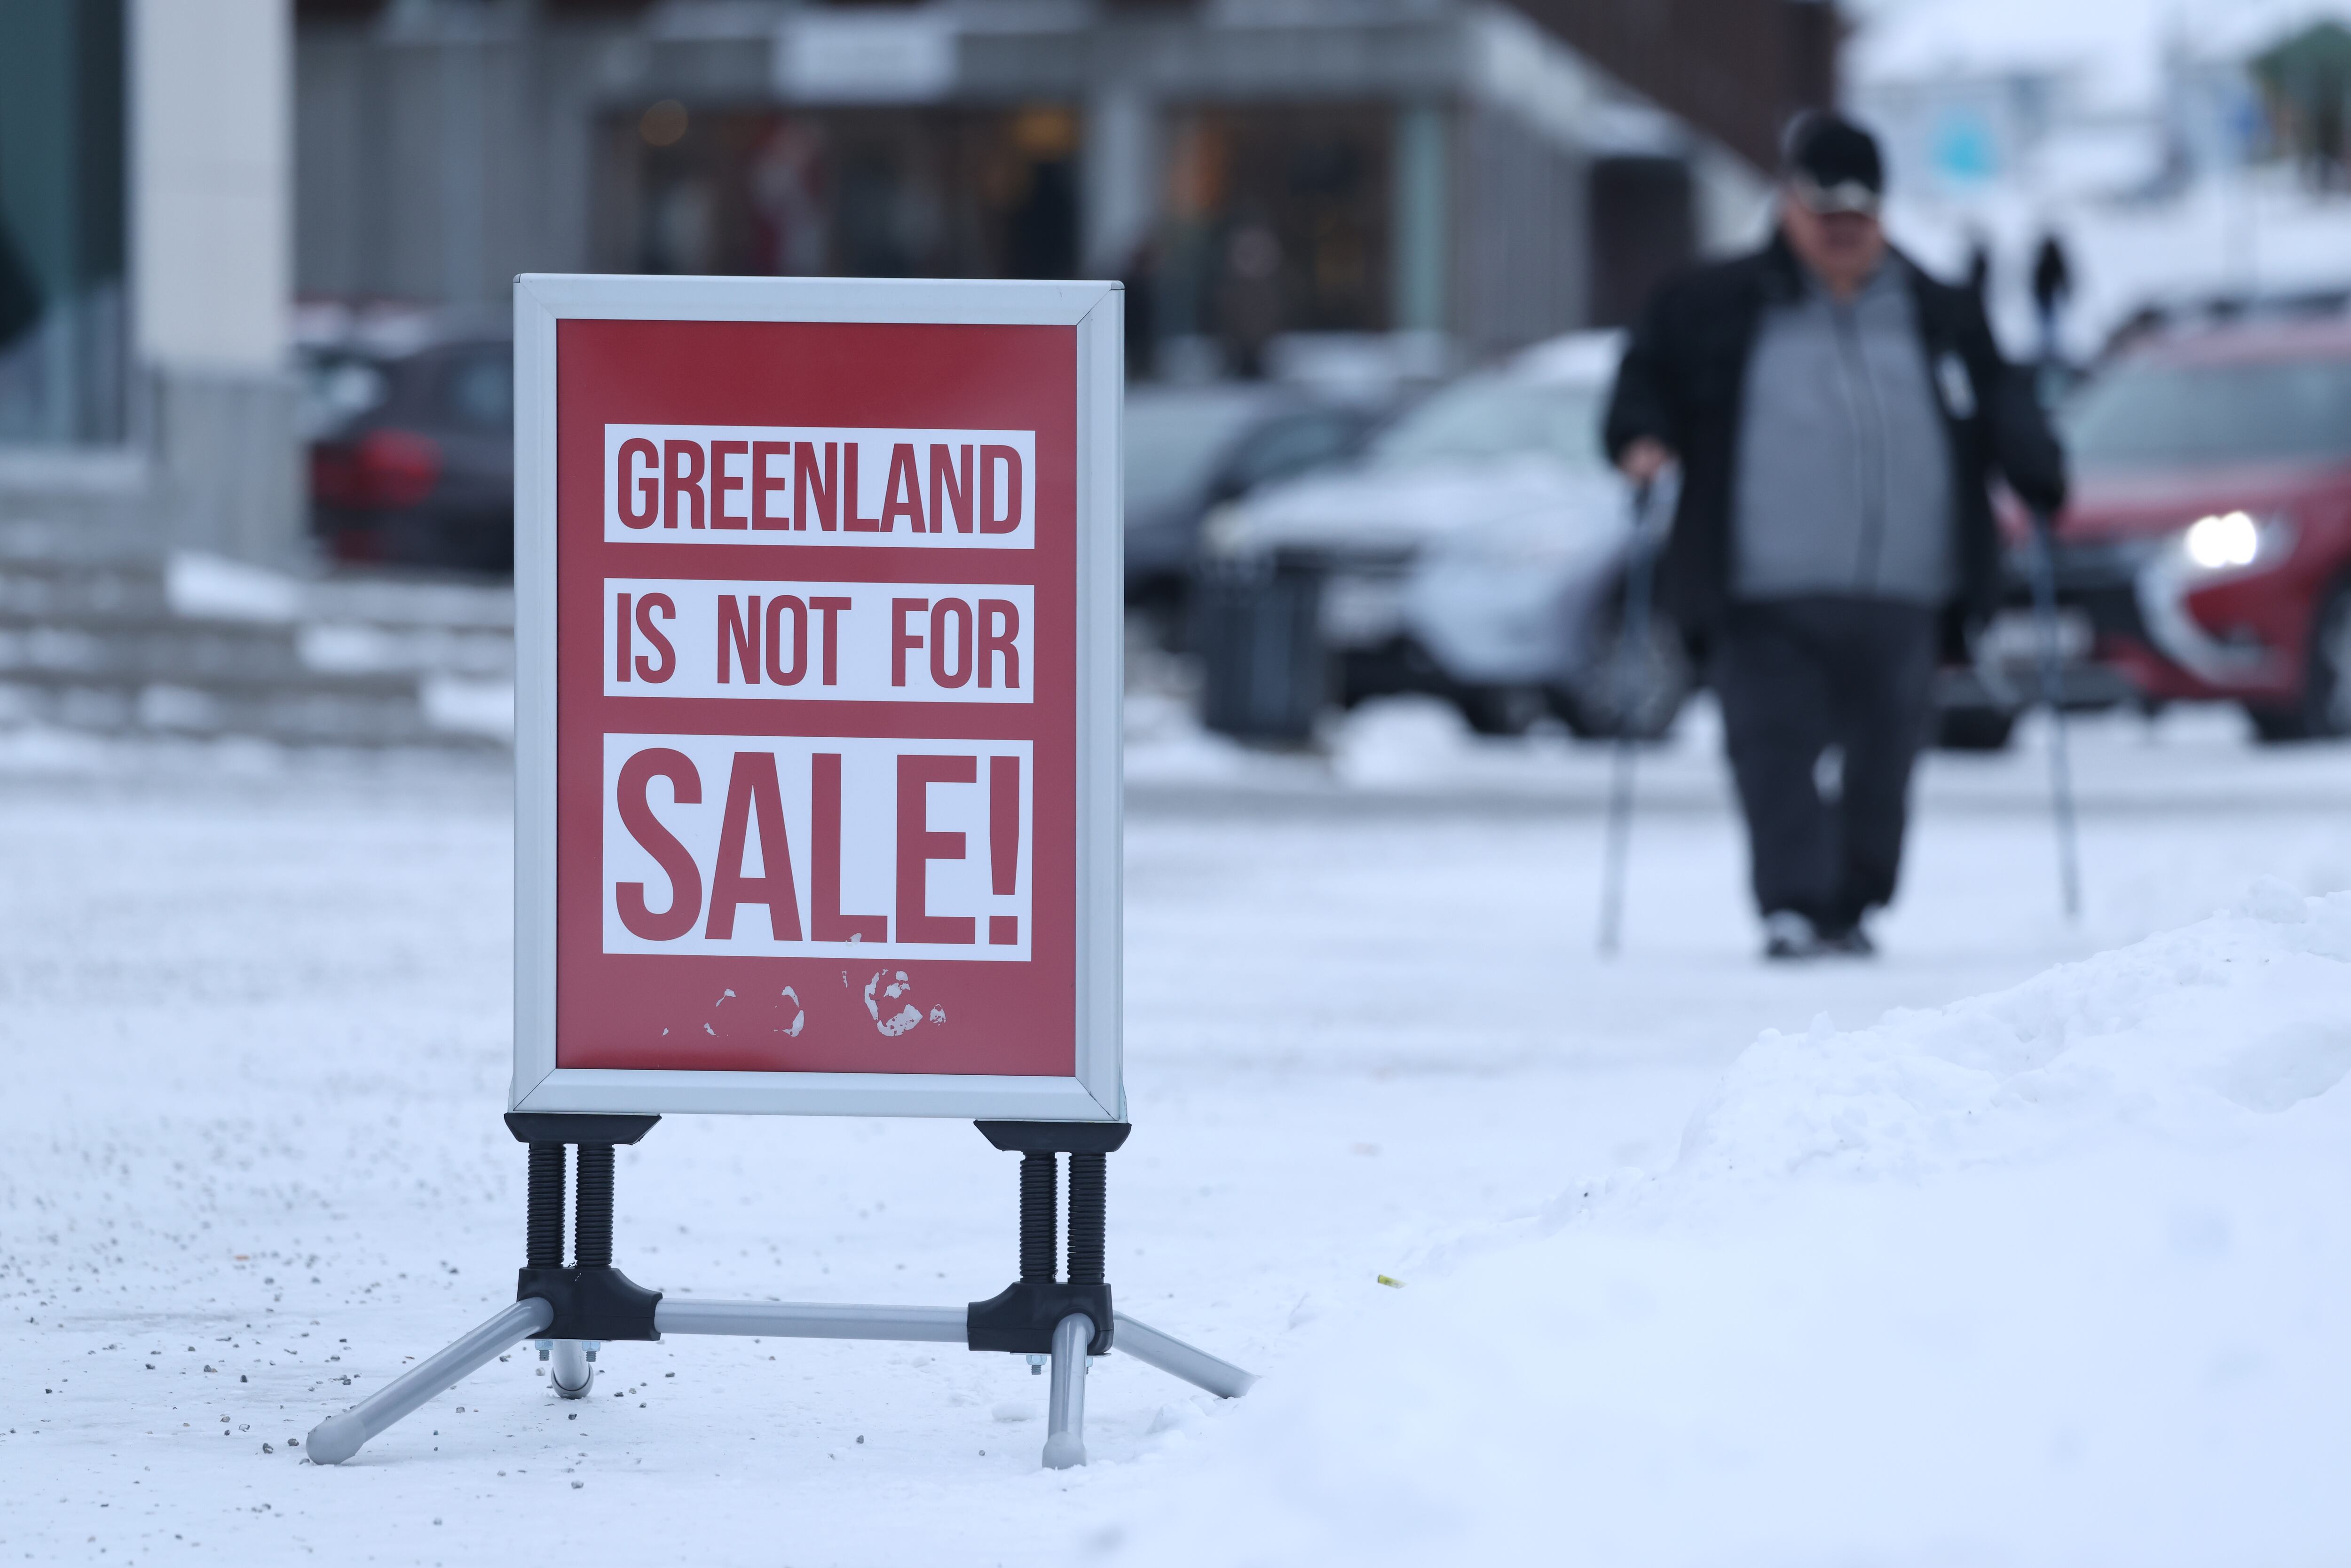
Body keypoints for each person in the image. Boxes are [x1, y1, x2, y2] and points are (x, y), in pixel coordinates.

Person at [1604, 112, 2066, 960]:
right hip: (1762, 583)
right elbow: (1645, 380)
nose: (1842, 231)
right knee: (1773, 747)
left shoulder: (1937, 308)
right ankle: (1792, 903)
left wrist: (2033, 463)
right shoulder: (1713, 303)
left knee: (1886, 757)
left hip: (1907, 584)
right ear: (1788, 204)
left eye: (1860, 214)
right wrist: (1640, 438)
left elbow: (2004, 396)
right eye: (1825, 212)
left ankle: (1853, 903)